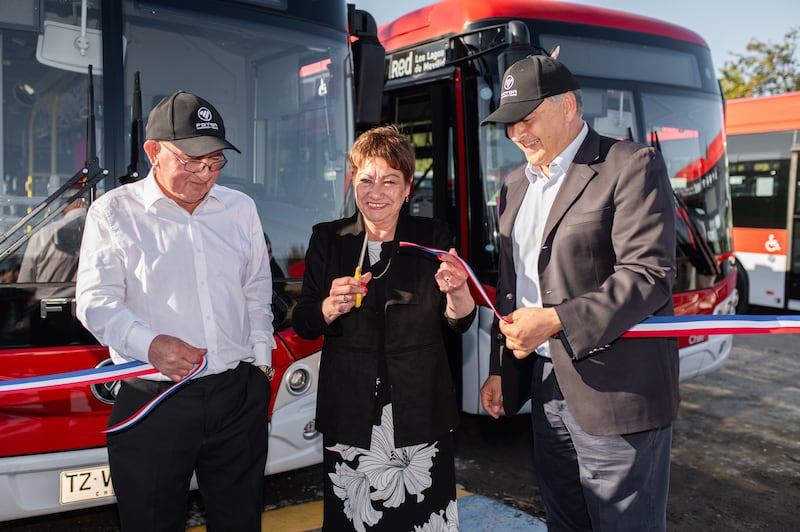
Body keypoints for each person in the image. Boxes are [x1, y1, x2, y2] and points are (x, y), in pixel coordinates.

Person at [479, 55, 679, 531]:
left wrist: (555, 319)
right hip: (545, 386)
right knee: (564, 521)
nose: (517, 134)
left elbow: (648, 274)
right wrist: (498, 371)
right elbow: (513, 288)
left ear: (568, 105)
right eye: (509, 123)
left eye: (527, 118)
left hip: (618, 392)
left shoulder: (630, 165)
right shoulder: (512, 187)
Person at [76, 90, 274, 532]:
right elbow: (94, 301)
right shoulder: (114, 212)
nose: (204, 174)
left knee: (241, 522)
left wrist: (262, 365)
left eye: (215, 161)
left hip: (236, 395)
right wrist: (151, 345)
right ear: (153, 151)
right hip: (153, 402)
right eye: (191, 160)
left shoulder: (241, 209)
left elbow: (256, 289)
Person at [293, 125, 476, 531]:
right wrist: (329, 307)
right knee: (355, 520)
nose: (376, 192)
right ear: (352, 183)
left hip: (420, 409)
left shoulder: (431, 237)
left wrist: (458, 292)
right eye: (366, 180)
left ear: (408, 187)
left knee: (421, 520)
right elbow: (304, 323)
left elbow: (460, 322)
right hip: (351, 413)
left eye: (390, 180)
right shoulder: (329, 238)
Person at [17, 196, 87, 298]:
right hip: (87, 306)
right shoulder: (102, 232)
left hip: (43, 306)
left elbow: (25, 282)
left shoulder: (43, 234)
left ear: (63, 209)